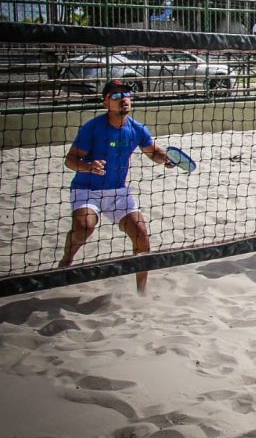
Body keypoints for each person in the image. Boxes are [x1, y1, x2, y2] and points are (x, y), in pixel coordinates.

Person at [59, 80, 174, 292]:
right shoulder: (92, 128)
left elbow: (153, 152)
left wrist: (165, 158)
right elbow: (70, 160)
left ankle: (141, 291)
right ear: (105, 103)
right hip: (87, 190)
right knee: (85, 228)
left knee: (141, 235)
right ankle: (67, 260)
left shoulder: (137, 128)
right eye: (116, 96)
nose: (123, 99)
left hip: (118, 192)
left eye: (127, 94)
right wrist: (88, 166)